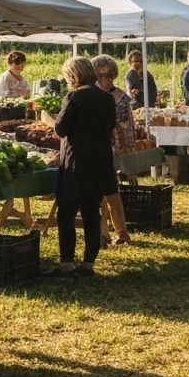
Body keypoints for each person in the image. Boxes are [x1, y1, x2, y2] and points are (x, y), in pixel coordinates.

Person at [43, 57, 116, 277]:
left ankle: (66, 263)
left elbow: (61, 129)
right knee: (92, 213)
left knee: (66, 213)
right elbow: (110, 126)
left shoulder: (74, 97)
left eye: (67, 78)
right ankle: (88, 263)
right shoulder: (106, 98)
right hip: (100, 160)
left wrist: (50, 119)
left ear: (74, 77)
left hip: (77, 162)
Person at [92, 54, 135, 245]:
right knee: (109, 193)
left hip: (105, 152)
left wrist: (122, 154)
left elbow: (124, 130)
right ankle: (116, 233)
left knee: (105, 193)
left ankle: (108, 234)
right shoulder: (116, 97)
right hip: (105, 151)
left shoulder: (117, 99)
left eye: (108, 77)